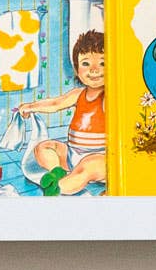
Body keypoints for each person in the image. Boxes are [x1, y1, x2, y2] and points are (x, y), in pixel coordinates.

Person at [18, 31, 107, 195]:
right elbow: (55, 103)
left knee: (87, 167)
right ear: (77, 69)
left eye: (102, 63)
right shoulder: (78, 94)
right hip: (73, 154)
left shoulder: (108, 98)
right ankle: (57, 171)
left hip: (99, 158)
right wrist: (32, 106)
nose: (94, 70)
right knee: (43, 148)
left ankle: (60, 187)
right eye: (86, 63)